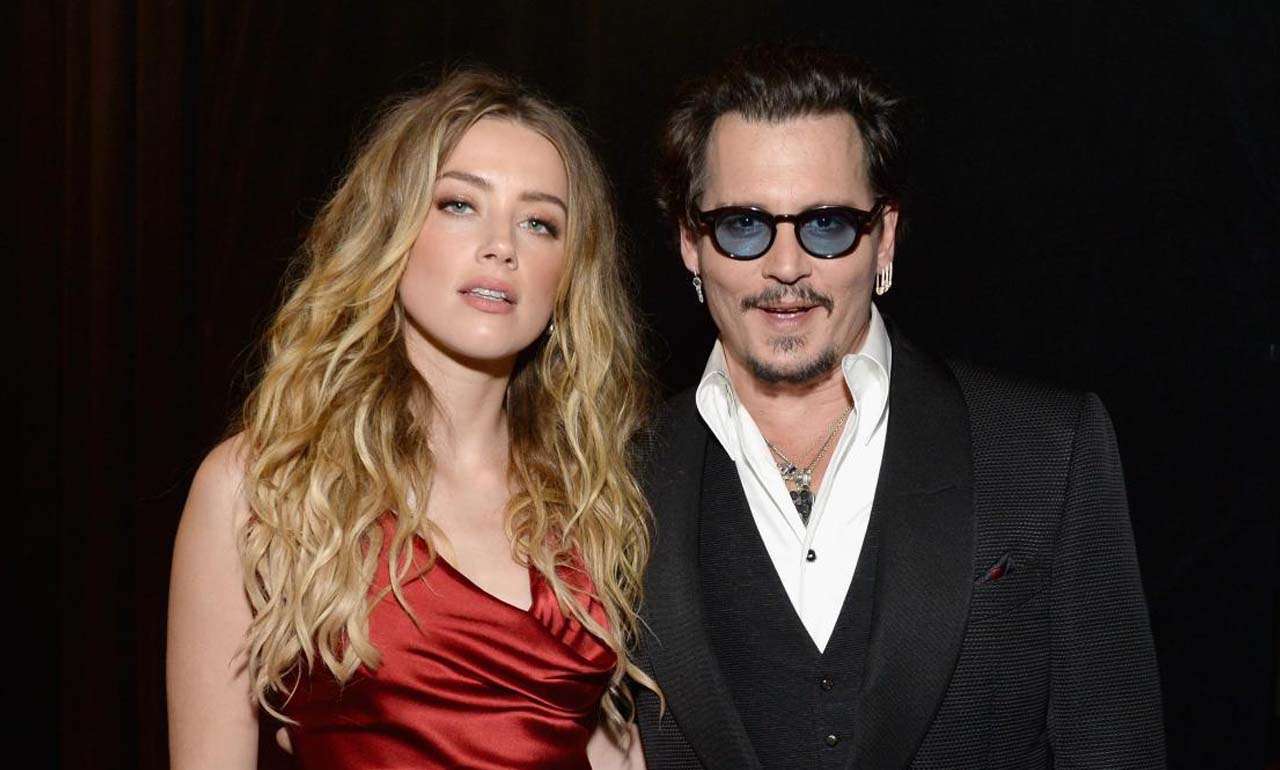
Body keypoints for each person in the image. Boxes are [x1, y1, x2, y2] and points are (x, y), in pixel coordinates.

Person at [633, 45, 1166, 769]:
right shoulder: (617, 476)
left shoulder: (1046, 449)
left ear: (883, 235)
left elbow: (1115, 745)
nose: (786, 267)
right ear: (691, 243)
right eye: (744, 225)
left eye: (826, 225)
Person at [167, 70, 651, 770]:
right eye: (459, 204)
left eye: (539, 222)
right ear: (389, 232)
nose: (502, 246)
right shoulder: (261, 489)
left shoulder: (591, 499)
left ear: (570, 275)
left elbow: (600, 745)